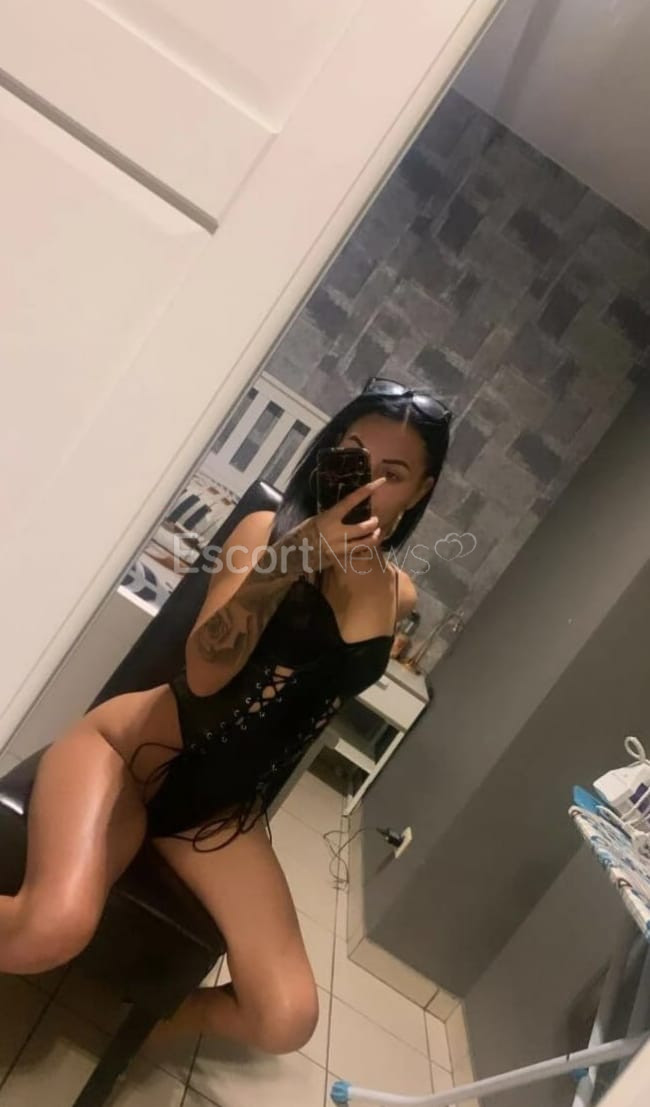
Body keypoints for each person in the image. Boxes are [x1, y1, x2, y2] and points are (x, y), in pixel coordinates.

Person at [0, 376, 451, 1057]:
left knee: (287, 1018)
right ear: (330, 450)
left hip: (216, 814)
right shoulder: (263, 533)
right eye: (354, 456)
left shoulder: (399, 595)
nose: (366, 482)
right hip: (128, 755)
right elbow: (207, 671)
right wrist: (296, 556)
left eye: (393, 473)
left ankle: (143, 1020)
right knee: (50, 930)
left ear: (420, 490)